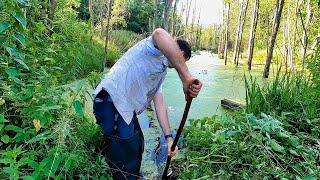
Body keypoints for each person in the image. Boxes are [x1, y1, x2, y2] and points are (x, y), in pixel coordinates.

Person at [92, 28, 202, 179]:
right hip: (110, 100)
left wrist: (169, 138)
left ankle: (131, 175)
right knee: (125, 147)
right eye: (182, 59)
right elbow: (159, 33)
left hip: (125, 109)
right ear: (178, 52)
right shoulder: (154, 49)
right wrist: (186, 77)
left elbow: (160, 104)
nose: (179, 63)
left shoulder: (160, 72)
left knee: (137, 144)